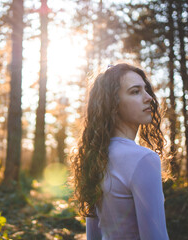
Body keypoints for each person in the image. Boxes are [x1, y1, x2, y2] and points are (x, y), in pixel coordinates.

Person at [70, 63, 170, 240]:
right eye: (135, 91)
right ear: (113, 104)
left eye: (146, 90)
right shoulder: (144, 159)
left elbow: (93, 236)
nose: (149, 98)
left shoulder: (94, 157)